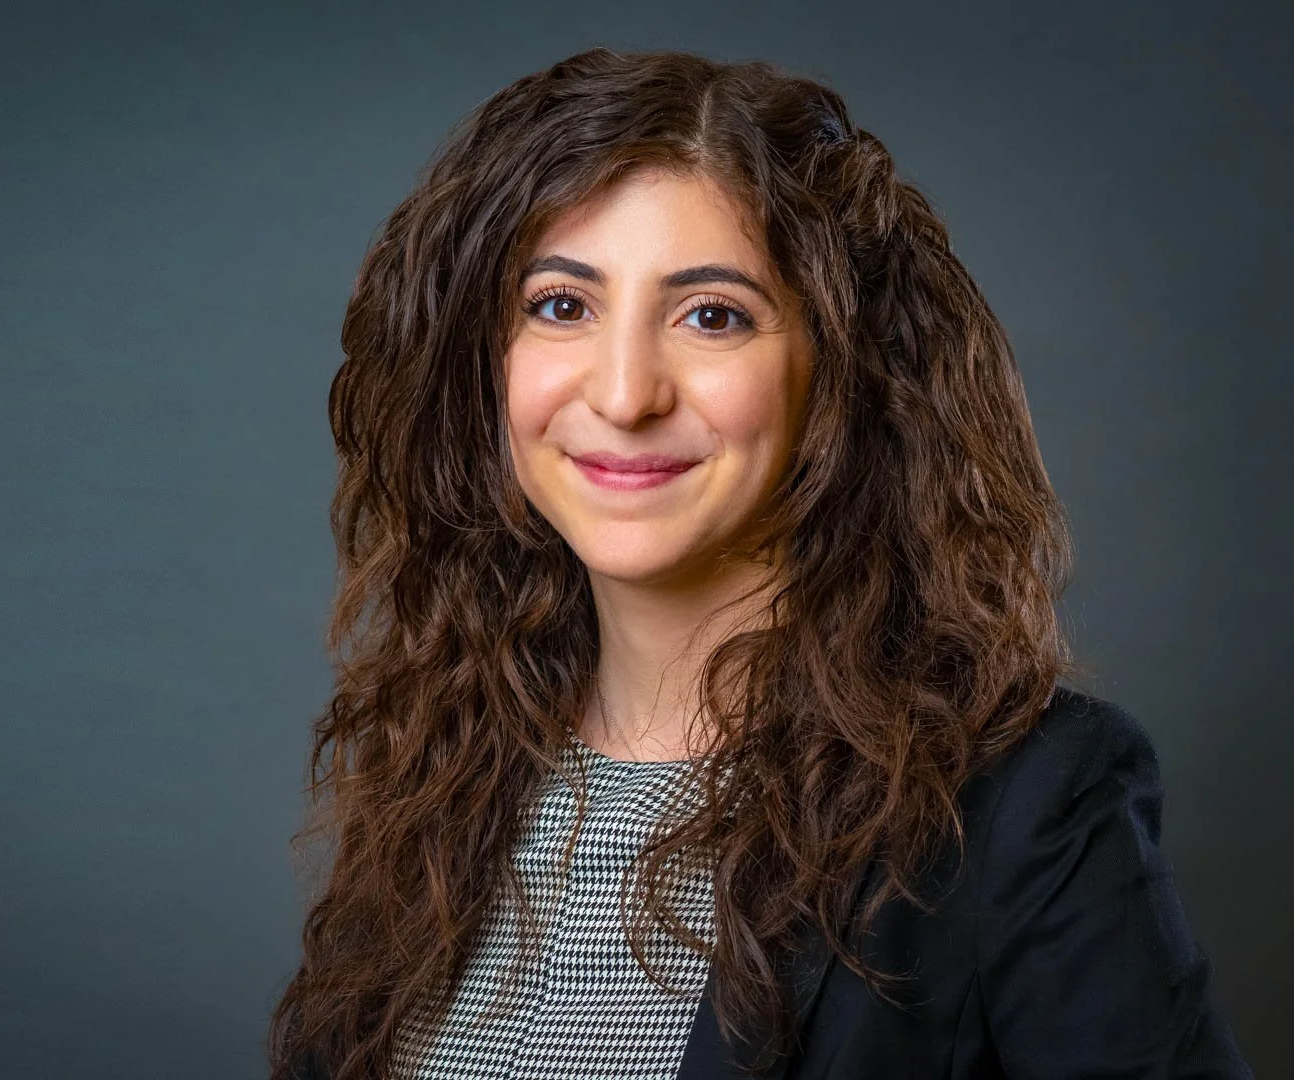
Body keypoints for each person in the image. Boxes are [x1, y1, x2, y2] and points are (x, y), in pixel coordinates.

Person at [267, 47, 1254, 1080]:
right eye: (562, 305)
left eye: (713, 315)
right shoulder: (445, 766)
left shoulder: (1021, 799)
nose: (625, 394)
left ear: (838, 370)